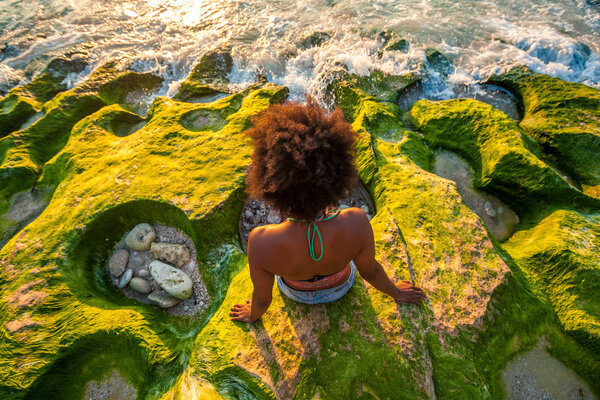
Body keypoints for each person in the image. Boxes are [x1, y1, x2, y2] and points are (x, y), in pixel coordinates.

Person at [229, 95, 426, 323]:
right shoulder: (356, 220)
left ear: (271, 187)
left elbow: (263, 300)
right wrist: (397, 292)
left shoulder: (261, 240)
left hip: (295, 292)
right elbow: (370, 271)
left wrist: (252, 315)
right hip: (340, 286)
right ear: (337, 179)